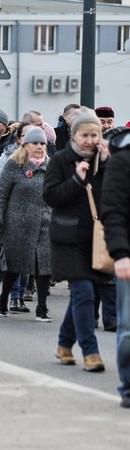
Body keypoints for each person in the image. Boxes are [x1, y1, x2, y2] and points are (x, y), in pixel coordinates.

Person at [43, 108, 112, 372]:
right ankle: (91, 352)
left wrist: (107, 165)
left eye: (95, 134)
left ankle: (63, 344)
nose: (90, 140)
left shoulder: (104, 161)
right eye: (85, 134)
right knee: (83, 291)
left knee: (83, 295)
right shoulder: (61, 160)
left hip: (96, 240)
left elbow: (114, 196)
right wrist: (76, 179)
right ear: (74, 135)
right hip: (67, 238)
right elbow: (50, 196)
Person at [0, 126, 53, 320]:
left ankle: (42, 308)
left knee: (43, 266)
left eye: (43, 143)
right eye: (35, 143)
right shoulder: (13, 165)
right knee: (14, 266)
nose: (39, 147)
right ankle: (3, 299)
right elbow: (1, 194)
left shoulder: (51, 166)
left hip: (44, 224)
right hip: (17, 223)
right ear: (24, 145)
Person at [101, 126, 130, 407]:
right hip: (128, 258)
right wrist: (120, 253)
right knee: (128, 329)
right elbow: (113, 210)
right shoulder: (123, 157)